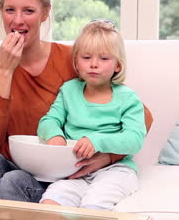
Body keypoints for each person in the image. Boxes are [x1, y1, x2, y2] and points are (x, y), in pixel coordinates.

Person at [0, 0, 153, 203]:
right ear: (1, 12)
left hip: (56, 175)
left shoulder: (75, 60)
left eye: (28, 10)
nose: (17, 20)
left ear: (45, 13)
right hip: (9, 164)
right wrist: (5, 71)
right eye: (10, 10)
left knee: (13, 181)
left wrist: (107, 157)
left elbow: (144, 118)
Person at [37, 20, 146, 210]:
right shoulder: (69, 91)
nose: (94, 64)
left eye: (104, 59)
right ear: (76, 62)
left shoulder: (128, 98)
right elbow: (49, 120)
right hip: (74, 171)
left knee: (94, 204)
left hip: (116, 171)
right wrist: (54, 135)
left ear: (118, 66)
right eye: (86, 57)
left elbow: (134, 139)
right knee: (50, 203)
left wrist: (97, 140)